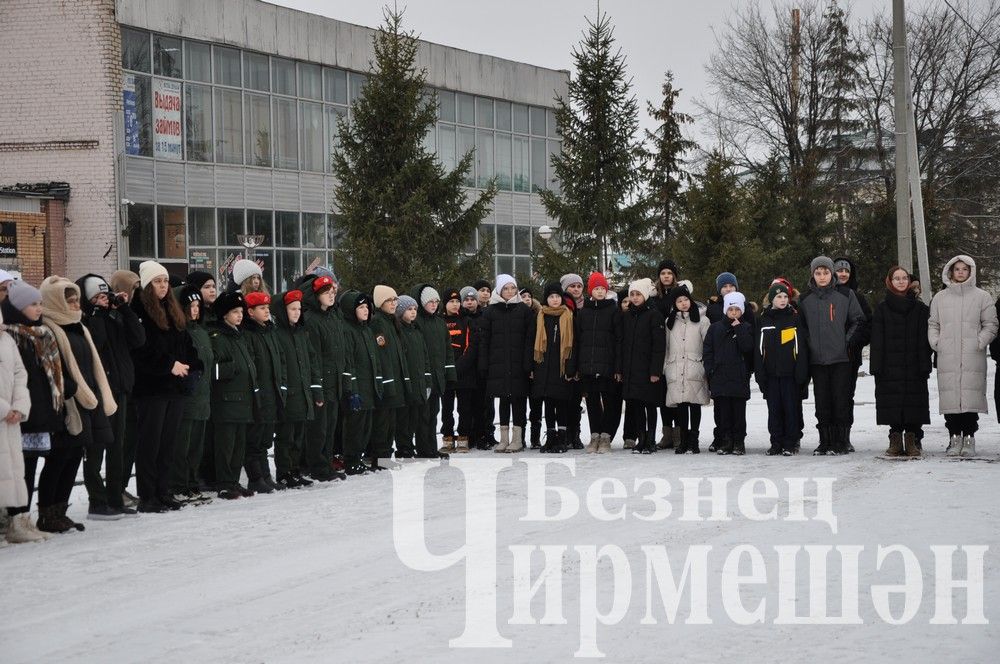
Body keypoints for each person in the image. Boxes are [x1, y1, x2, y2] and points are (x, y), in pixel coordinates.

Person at [39, 276, 118, 529]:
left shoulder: (79, 326)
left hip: (86, 398)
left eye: (75, 300)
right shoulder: (50, 328)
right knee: (59, 457)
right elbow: (53, 366)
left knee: (74, 455)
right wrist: (72, 389)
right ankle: (47, 512)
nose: (75, 305)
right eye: (69, 301)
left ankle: (60, 510)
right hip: (65, 403)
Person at [130, 261, 201, 513]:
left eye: (165, 281)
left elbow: (185, 342)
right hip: (152, 387)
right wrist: (168, 364)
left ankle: (163, 490)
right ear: (148, 284)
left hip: (175, 387)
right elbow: (140, 350)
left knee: (168, 443)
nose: (162, 286)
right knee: (150, 443)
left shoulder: (172, 309)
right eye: (157, 281)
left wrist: (193, 365)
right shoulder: (139, 310)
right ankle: (147, 495)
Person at [75, 273, 144, 516]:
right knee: (96, 447)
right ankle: (97, 499)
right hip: (97, 391)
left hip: (120, 389)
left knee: (117, 445)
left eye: (106, 296)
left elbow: (138, 339)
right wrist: (98, 314)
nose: (104, 301)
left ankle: (115, 497)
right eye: (98, 297)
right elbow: (98, 342)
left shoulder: (114, 317)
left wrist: (124, 310)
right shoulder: (86, 320)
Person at [3, 281, 64, 542]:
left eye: (40, 303)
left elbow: (26, 376)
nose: (39, 309)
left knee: (27, 467)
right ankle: (16, 518)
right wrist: (12, 407)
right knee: (20, 469)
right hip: (18, 416)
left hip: (33, 411)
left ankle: (23, 518)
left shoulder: (41, 334)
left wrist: (23, 406)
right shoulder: (14, 335)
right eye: (33, 304)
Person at [928, 255, 998, 456]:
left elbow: (991, 324)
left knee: (969, 396)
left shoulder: (982, 297)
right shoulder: (940, 298)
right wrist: (936, 342)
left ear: (971, 272)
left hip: (972, 355)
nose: (960, 272)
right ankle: (954, 438)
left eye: (964, 269)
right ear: (950, 271)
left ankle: (969, 438)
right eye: (956, 269)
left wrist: (979, 341)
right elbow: (934, 324)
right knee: (950, 397)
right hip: (947, 355)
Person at [798, 256, 865, 455]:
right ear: (813, 275)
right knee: (822, 402)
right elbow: (801, 328)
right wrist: (809, 344)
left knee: (841, 400)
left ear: (831, 273)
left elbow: (858, 320)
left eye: (826, 272)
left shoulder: (846, 295)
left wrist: (846, 342)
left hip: (841, 359)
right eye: (818, 273)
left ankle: (841, 441)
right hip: (817, 360)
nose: (822, 276)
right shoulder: (804, 299)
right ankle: (825, 441)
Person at [871, 267, 932, 458]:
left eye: (904, 278)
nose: (900, 281)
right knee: (892, 402)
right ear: (890, 282)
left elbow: (925, 340)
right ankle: (895, 438)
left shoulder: (921, 309)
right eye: (896, 278)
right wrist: (877, 367)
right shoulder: (882, 308)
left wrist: (924, 365)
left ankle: (913, 439)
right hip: (890, 366)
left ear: (909, 281)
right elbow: (877, 341)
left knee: (915, 402)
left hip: (914, 365)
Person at [209, 291, 257, 499]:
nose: (240, 315)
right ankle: (224, 483)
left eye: (241, 312)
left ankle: (234, 481)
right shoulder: (217, 336)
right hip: (227, 401)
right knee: (226, 445)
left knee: (239, 445)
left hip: (243, 399)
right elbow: (213, 369)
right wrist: (234, 367)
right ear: (223, 314)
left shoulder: (239, 335)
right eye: (235, 312)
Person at [298, 273, 346, 482]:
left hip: (334, 381)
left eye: (332, 291)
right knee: (319, 428)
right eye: (326, 292)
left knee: (331, 426)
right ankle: (317, 465)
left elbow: (340, 352)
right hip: (321, 382)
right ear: (316, 295)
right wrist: (317, 386)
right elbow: (314, 357)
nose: (331, 295)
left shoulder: (334, 317)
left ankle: (326, 463)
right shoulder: (311, 320)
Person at [479, 274, 535, 453]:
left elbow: (529, 340)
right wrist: (484, 364)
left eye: (513, 288)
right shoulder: (490, 312)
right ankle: (503, 438)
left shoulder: (524, 311)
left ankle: (517, 439)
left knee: (518, 400)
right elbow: (484, 340)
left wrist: (528, 364)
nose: (510, 291)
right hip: (499, 364)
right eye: (506, 288)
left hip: (519, 364)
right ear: (499, 290)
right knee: (503, 400)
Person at [169, 285, 214, 502]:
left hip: (203, 399)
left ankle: (191, 482)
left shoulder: (202, 331)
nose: (195, 310)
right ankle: (179, 483)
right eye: (190, 306)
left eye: (197, 306)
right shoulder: (180, 332)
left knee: (196, 446)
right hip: (187, 399)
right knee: (181, 446)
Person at [755, 282, 809, 456]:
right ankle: (776, 442)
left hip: (790, 375)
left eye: (785, 296)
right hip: (771, 375)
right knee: (774, 410)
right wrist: (760, 374)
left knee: (791, 409)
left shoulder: (794, 318)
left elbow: (801, 348)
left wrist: (801, 373)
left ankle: (790, 443)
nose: (783, 300)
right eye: (779, 297)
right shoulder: (763, 320)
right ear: (771, 299)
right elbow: (758, 350)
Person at [270, 290, 317, 488]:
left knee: (299, 436)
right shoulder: (277, 333)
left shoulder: (301, 333)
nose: (297, 313)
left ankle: (295, 469)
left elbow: (311, 360)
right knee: (285, 436)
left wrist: (315, 389)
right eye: (292, 309)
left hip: (303, 392)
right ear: (283, 310)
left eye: (299, 309)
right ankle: (284, 471)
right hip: (287, 393)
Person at [242, 291, 287, 493]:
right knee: (255, 439)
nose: (267, 311)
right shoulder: (249, 334)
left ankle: (266, 475)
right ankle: (255, 477)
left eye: (267, 308)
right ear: (250, 312)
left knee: (265, 439)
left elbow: (280, 361)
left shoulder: (270, 332)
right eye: (262, 308)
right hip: (259, 395)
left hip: (272, 393)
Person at [575, 272, 622, 454]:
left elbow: (619, 340)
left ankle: (606, 436)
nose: (600, 291)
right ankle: (594, 435)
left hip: (608, 365)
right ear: (591, 291)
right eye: (596, 288)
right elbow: (578, 341)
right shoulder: (583, 312)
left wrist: (617, 366)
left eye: (603, 288)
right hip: (588, 365)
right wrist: (578, 366)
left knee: (609, 402)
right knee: (592, 402)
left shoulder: (613, 310)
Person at [703, 292, 754, 455]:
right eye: (730, 309)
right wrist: (710, 369)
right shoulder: (715, 327)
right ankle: (726, 441)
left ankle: (739, 442)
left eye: (737, 309)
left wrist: (738, 328)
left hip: (738, 377)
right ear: (725, 310)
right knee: (723, 413)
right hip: (719, 377)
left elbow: (747, 347)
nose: (733, 313)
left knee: (739, 413)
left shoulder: (746, 327)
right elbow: (708, 350)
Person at [620, 278, 665, 454]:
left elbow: (659, 346)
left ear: (645, 295)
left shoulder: (654, 315)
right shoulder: (628, 316)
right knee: (636, 406)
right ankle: (642, 438)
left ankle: (651, 439)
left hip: (648, 370)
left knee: (650, 405)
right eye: (632, 294)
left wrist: (655, 370)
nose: (635, 297)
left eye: (638, 294)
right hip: (632, 369)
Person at [664, 285, 710, 454]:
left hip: (695, 366)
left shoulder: (702, 320)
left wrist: (705, 365)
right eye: (679, 301)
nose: (683, 303)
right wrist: (666, 367)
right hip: (675, 367)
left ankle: (694, 440)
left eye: (685, 300)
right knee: (681, 405)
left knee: (695, 404)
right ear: (674, 304)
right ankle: (683, 440)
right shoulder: (669, 322)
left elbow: (707, 345)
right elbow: (667, 347)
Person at [338, 290, 381, 475]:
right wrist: (352, 389)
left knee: (366, 427)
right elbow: (348, 361)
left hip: (369, 387)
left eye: (367, 307)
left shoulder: (366, 329)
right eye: (361, 307)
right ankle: (351, 460)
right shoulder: (347, 330)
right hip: (357, 388)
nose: (366, 311)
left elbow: (374, 359)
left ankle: (358, 458)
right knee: (354, 427)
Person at [110, 269, 143, 506]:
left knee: (130, 442)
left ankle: (120, 485)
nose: (135, 294)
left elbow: (138, 338)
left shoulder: (128, 312)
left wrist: (126, 309)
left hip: (131, 384)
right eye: (133, 288)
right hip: (117, 385)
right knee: (119, 443)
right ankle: (114, 488)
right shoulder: (110, 314)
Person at [0, 293, 31, 542]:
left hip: (10, 418)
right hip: (3, 413)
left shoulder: (6, 339)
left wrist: (19, 405)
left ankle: (11, 522)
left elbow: (20, 373)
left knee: (9, 471)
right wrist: (3, 408)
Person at [412, 284, 456, 458]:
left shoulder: (440, 323)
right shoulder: (417, 323)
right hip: (423, 377)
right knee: (423, 415)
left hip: (438, 377)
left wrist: (450, 373)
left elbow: (447, 349)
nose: (434, 304)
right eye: (430, 301)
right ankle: (423, 448)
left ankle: (431, 446)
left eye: (436, 301)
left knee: (433, 414)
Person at [833, 257, 872, 453]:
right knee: (828, 397)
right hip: (826, 356)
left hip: (849, 356)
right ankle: (829, 436)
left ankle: (844, 436)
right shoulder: (825, 295)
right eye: (839, 270)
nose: (842, 274)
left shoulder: (858, 297)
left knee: (846, 397)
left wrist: (852, 342)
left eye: (846, 271)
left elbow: (866, 325)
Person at [532, 283, 575, 454]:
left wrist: (571, 367)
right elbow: (532, 343)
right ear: (546, 299)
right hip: (544, 366)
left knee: (562, 403)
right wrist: (532, 367)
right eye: (551, 297)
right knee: (548, 403)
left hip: (562, 366)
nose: (555, 300)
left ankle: (562, 437)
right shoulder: (540, 316)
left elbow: (574, 344)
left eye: (557, 296)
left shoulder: (569, 316)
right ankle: (550, 436)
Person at [370, 285, 408, 469]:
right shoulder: (378, 322)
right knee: (383, 421)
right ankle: (380, 456)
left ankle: (386, 454)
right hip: (387, 380)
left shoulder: (392, 321)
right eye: (389, 300)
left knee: (391, 421)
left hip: (396, 379)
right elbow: (382, 353)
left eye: (395, 300)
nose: (393, 304)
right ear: (380, 303)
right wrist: (387, 380)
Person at [394, 295, 430, 459]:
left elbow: (424, 356)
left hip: (419, 381)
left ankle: (412, 445)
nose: (413, 312)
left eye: (415, 309)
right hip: (406, 382)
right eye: (409, 309)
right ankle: (404, 447)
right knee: (404, 418)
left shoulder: (416, 331)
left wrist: (426, 378)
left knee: (415, 417)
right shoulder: (398, 331)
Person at [440, 288, 476, 453]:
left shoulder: (466, 320)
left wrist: (458, 367)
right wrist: (446, 368)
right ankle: (447, 437)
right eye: (451, 302)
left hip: (463, 372)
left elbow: (470, 347)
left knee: (465, 408)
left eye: (457, 301)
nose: (455, 305)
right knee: (447, 408)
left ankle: (463, 437)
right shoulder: (439, 321)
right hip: (445, 373)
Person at [650, 260, 680, 449]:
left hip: (678, 346)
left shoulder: (680, 294)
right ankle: (666, 433)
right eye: (663, 273)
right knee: (662, 395)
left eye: (669, 273)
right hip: (660, 348)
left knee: (676, 393)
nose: (666, 276)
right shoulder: (654, 297)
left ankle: (678, 434)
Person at [520, 287, 544, 449]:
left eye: (529, 296)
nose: (527, 299)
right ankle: (519, 437)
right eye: (523, 296)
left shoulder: (540, 316)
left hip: (536, 366)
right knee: (520, 405)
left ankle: (535, 438)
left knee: (536, 405)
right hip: (519, 367)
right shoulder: (515, 315)